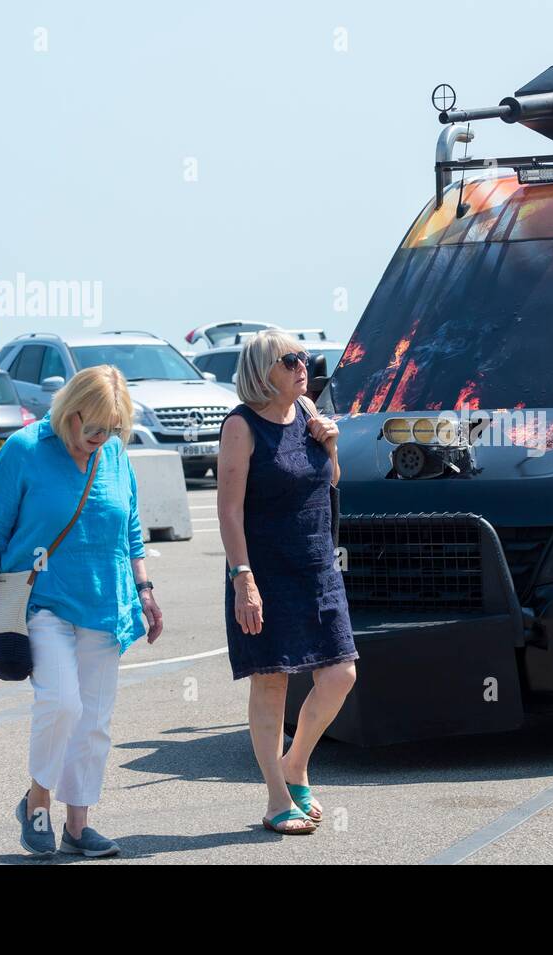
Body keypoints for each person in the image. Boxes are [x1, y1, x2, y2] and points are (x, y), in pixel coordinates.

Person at [0, 365, 163, 857]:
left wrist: (146, 591)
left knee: (93, 720)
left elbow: (131, 527)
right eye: (91, 428)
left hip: (107, 601)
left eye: (110, 430)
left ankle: (77, 825)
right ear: (68, 412)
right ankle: (36, 802)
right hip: (43, 601)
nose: (99, 439)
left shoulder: (114, 454)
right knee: (62, 702)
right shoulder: (26, 450)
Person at [217, 329, 357, 835]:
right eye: (290, 360)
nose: (304, 366)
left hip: (318, 567)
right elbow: (229, 511)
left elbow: (329, 484)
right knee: (271, 681)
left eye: (305, 358)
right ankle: (277, 797)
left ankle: (295, 764)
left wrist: (332, 447)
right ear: (261, 373)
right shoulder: (242, 425)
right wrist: (242, 578)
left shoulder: (308, 416)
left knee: (341, 675)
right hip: (265, 570)